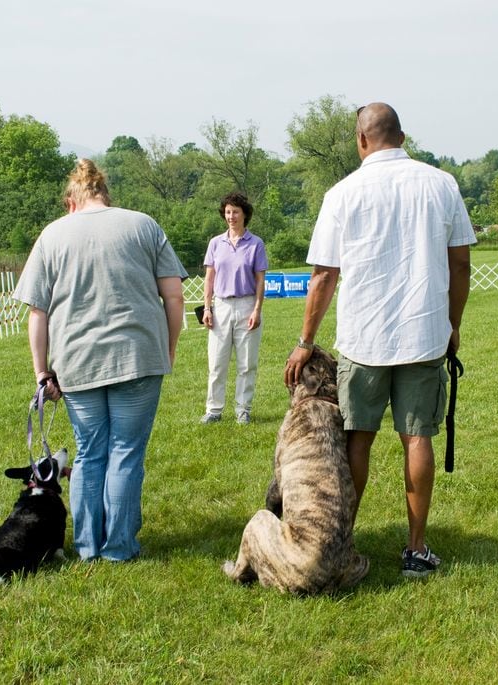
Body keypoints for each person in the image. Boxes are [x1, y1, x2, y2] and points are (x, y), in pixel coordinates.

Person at [284, 103, 475, 579]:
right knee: (417, 437)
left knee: (358, 440)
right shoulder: (441, 183)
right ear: (403, 136)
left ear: (361, 140)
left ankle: (342, 542)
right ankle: (416, 548)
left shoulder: (342, 192)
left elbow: (324, 275)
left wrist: (305, 340)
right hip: (425, 331)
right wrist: (453, 325)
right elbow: (461, 265)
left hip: (363, 337)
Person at [13, 159, 187, 562]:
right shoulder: (143, 224)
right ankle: (120, 546)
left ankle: (88, 546)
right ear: (105, 194)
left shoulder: (52, 234)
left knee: (89, 454)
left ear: (71, 200)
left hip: (77, 361)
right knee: (126, 451)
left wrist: (42, 371)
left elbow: (37, 312)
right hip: (139, 354)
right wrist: (170, 345)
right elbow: (174, 295)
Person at [200, 192, 268, 425]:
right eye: (228, 212)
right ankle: (214, 410)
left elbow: (260, 279)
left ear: (244, 214)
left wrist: (257, 309)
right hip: (221, 306)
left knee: (247, 363)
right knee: (217, 363)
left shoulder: (256, 244)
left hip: (247, 304)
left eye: (235, 212)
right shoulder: (215, 243)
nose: (231, 216)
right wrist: (207, 308)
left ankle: (243, 410)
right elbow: (209, 278)